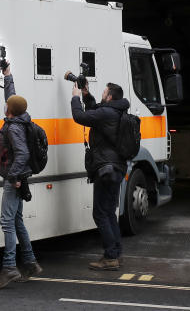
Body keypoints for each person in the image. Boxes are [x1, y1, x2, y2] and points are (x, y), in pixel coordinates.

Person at [0, 64, 42, 289]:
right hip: (19, 176)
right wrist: (8, 75)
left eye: (6, 106)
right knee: (17, 220)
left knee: (7, 222)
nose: (5, 106)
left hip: (14, 179)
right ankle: (30, 262)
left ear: (9, 111)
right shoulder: (21, 119)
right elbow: (12, 97)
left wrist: (13, 177)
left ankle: (10, 267)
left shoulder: (13, 128)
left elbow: (22, 153)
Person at [70, 79, 129, 271]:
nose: (103, 94)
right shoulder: (118, 112)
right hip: (117, 167)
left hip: (106, 169)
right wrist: (87, 95)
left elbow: (80, 117)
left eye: (104, 92)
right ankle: (116, 253)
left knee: (100, 213)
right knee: (109, 212)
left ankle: (110, 256)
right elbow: (97, 110)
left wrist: (76, 98)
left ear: (110, 96)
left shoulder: (106, 113)